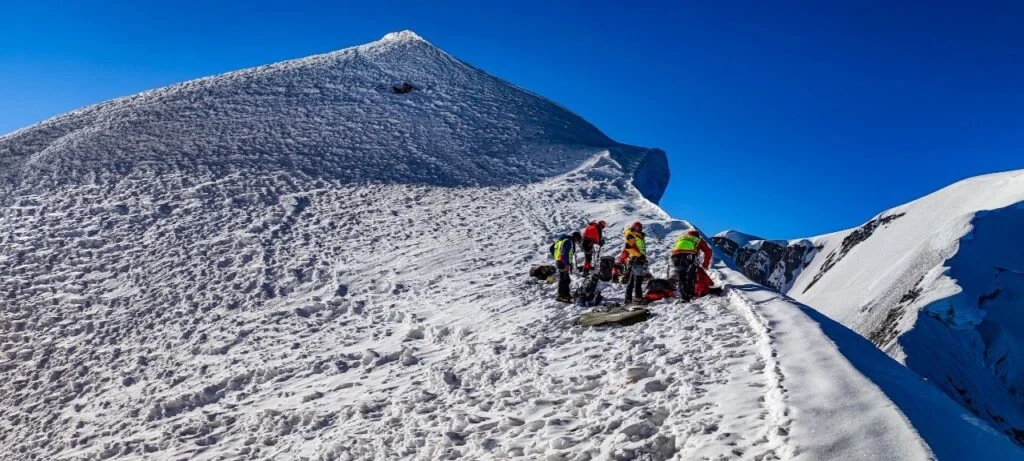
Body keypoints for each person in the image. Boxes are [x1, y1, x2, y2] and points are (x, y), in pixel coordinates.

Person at [671, 229, 713, 302]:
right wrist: (705, 265)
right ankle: (691, 294)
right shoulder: (697, 239)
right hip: (689, 256)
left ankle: (684, 297)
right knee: (691, 274)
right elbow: (708, 251)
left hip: (675, 257)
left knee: (681, 277)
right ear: (697, 236)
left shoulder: (682, 238)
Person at [551, 231, 582, 303]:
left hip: (560, 262)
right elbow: (565, 254)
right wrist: (567, 264)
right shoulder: (568, 242)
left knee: (566, 279)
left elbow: (551, 249)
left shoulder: (560, 241)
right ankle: (561, 296)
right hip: (564, 263)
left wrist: (556, 257)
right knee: (563, 280)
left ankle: (566, 294)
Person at [623, 222, 647, 305]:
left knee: (632, 280)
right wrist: (639, 255)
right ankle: (638, 299)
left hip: (637, 259)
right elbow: (628, 247)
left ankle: (628, 299)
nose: (640, 229)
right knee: (638, 279)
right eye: (638, 228)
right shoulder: (632, 235)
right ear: (634, 227)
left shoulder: (637, 235)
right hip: (636, 259)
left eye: (641, 228)